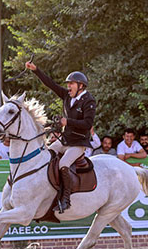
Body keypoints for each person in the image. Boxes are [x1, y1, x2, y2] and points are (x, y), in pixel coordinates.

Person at [26, 61, 96, 212]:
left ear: (81, 86)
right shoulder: (67, 96)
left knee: (63, 164)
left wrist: (67, 121)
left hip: (78, 143)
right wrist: (36, 70)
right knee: (46, 155)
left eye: (71, 84)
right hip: (65, 140)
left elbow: (87, 123)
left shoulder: (89, 101)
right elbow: (50, 84)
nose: (68, 86)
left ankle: (66, 199)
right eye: (68, 84)